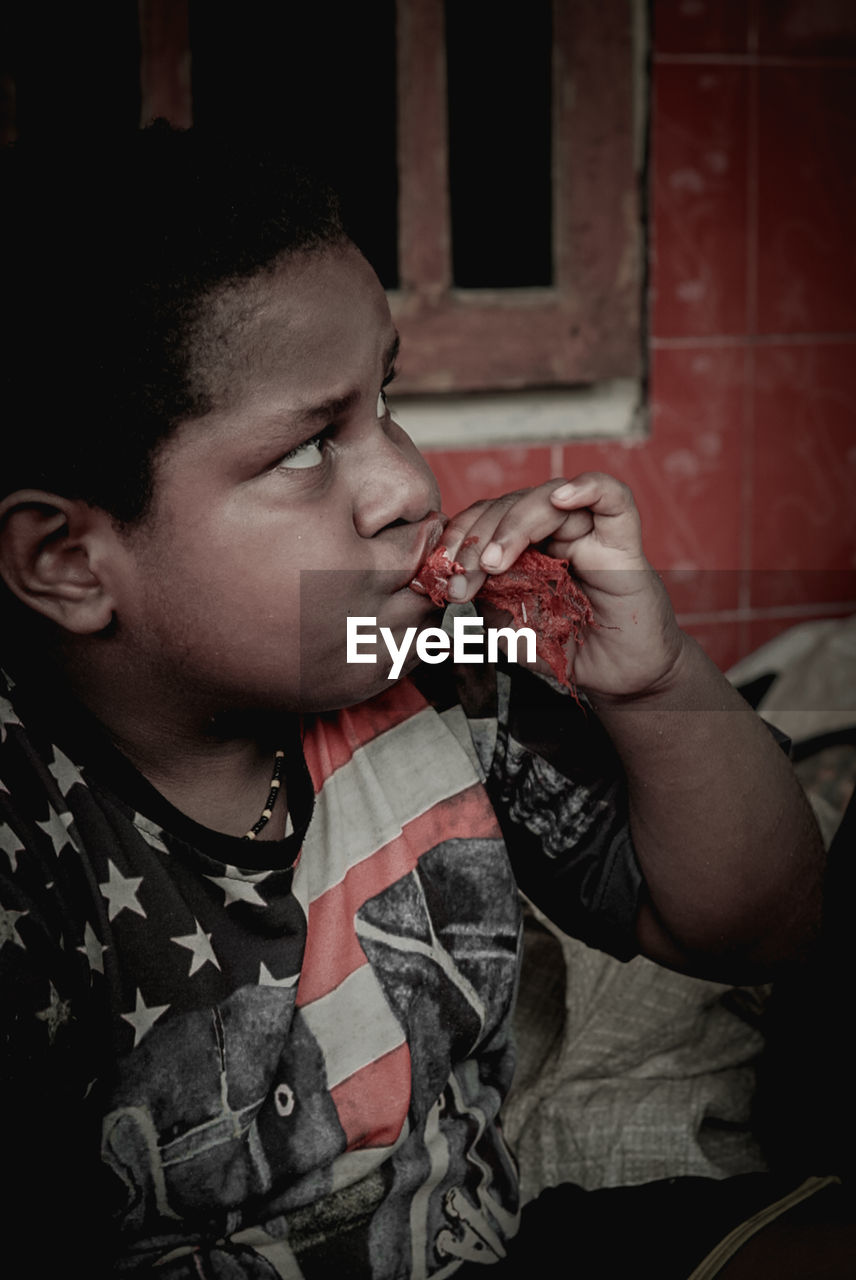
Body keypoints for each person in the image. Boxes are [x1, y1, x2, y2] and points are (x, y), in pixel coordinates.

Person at [0, 125, 831, 1277]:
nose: (405, 484)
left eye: (382, 399)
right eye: (304, 450)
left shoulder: (414, 658)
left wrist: (653, 679)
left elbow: (761, 924)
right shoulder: (29, 838)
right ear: (71, 562)